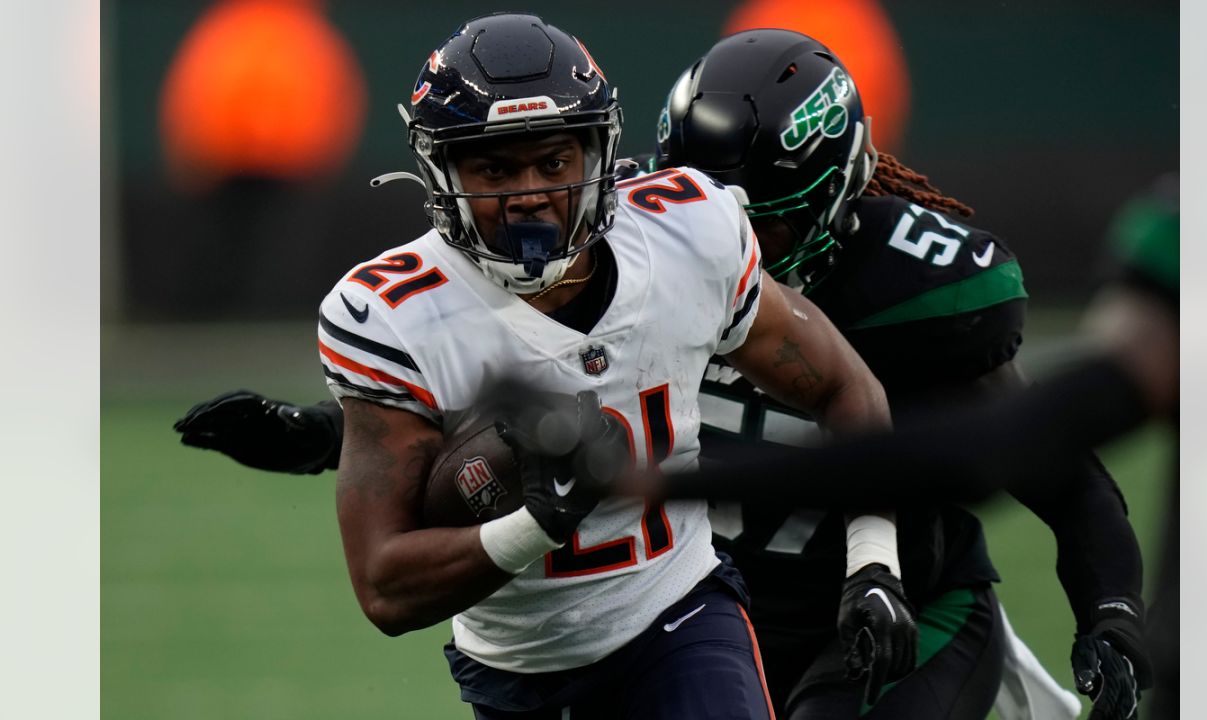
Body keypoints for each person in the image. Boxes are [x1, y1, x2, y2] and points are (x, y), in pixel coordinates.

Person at [173, 26, 1147, 720]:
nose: (738, 236)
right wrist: (329, 437)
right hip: (705, 613)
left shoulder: (875, 290)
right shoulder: (636, 228)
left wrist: (1098, 605)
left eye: (758, 217)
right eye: (495, 171)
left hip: (864, 608)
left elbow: (1039, 458)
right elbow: (531, 391)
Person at [298, 12, 894, 720]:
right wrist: (543, 523)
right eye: (493, 167)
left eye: (553, 162)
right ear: (443, 169)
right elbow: (385, 587)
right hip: (519, 669)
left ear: (598, 156)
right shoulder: (395, 314)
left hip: (679, 616)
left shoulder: (687, 237)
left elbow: (845, 388)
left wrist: (873, 562)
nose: (527, 194)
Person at [647, 30, 1148, 720]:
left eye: (761, 231)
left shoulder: (906, 296)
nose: (729, 255)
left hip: (898, 615)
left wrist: (1112, 612)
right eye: (700, 221)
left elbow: (1062, 478)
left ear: (832, 195)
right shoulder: (637, 261)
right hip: (712, 619)